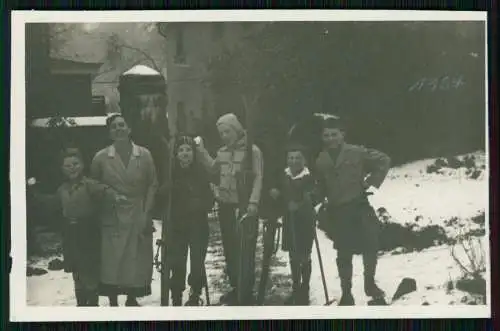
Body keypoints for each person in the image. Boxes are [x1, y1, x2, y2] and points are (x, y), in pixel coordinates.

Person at [27, 148, 126, 306]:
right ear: (62, 169)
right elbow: (51, 203)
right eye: (67, 165)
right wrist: (33, 193)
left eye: (75, 163)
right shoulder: (62, 189)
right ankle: (81, 304)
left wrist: (117, 197)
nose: (72, 168)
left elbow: (106, 191)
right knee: (76, 271)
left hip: (88, 233)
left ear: (82, 165)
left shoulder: (89, 185)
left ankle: (92, 305)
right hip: (70, 234)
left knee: (89, 271)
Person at [315, 117, 391, 305]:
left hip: (359, 206)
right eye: (326, 135)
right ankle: (346, 293)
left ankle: (369, 284)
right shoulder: (320, 159)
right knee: (343, 253)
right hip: (338, 211)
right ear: (322, 138)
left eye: (334, 134)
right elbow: (321, 186)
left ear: (342, 134)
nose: (331, 138)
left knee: (371, 244)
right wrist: (313, 199)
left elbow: (384, 160)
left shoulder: (356, 152)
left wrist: (371, 181)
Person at [90, 113, 158, 307]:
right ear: (109, 133)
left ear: (130, 129)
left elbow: (153, 184)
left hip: (138, 211)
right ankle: (112, 298)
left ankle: (132, 297)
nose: (118, 129)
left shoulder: (144, 155)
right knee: (113, 258)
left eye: (122, 125)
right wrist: (110, 194)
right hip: (112, 213)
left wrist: (147, 212)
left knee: (136, 258)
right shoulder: (101, 157)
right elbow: (93, 184)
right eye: (114, 127)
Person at [196, 113, 264, 306]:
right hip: (226, 206)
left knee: (246, 249)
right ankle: (236, 287)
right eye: (221, 133)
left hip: (244, 207)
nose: (225, 135)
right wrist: (200, 151)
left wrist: (253, 203)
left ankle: (246, 291)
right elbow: (212, 169)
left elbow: (259, 178)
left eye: (227, 131)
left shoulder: (253, 151)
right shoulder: (222, 152)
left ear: (236, 129)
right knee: (230, 249)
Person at [166, 135, 214, 306]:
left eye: (188, 150)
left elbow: (210, 200)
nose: (185, 153)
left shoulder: (200, 172)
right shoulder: (170, 174)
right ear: (176, 154)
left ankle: (195, 292)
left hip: (197, 224)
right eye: (181, 150)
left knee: (197, 260)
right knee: (177, 259)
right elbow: (164, 198)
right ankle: (176, 293)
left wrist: (198, 203)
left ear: (194, 153)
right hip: (177, 225)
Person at [269, 144, 317, 305]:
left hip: (305, 221)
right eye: (291, 157)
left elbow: (313, 196)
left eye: (298, 158)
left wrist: (301, 204)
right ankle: (296, 289)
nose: (294, 161)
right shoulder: (284, 175)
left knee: (304, 255)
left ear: (304, 160)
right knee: (292, 255)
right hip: (289, 221)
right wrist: (276, 193)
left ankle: (305, 289)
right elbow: (279, 192)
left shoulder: (309, 177)